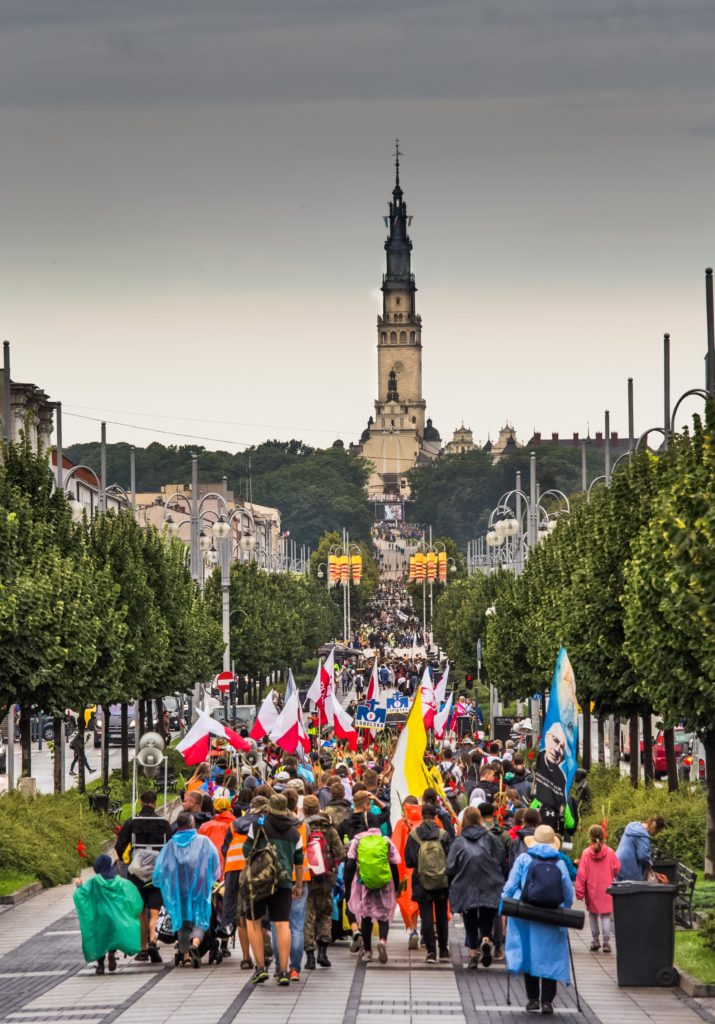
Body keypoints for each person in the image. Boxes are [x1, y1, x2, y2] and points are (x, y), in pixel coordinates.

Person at [502, 824, 575, 1015]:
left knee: (529, 954)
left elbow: (511, 886)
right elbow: (568, 892)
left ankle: (532, 998)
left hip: (526, 914)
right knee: (550, 957)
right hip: (551, 915)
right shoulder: (559, 863)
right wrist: (564, 909)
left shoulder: (524, 859)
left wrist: (504, 904)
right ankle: (547, 1001)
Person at [242, 792, 304, 986]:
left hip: (260, 880)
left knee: (254, 922)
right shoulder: (295, 832)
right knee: (282, 924)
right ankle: (284, 970)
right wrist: (299, 884)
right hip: (283, 881)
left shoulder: (257, 825)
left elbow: (246, 851)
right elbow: (299, 862)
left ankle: (260, 967)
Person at [152, 810, 220, 968]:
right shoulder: (204, 842)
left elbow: (161, 870)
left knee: (182, 922)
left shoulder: (170, 845)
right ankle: (195, 944)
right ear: (192, 824)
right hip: (200, 889)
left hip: (178, 891)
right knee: (201, 919)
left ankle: (186, 956)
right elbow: (215, 865)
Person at [114, 790, 172, 963]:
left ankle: (143, 949)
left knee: (141, 911)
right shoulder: (163, 823)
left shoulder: (132, 822)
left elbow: (119, 846)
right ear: (155, 802)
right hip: (157, 871)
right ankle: (153, 940)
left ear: (140, 802)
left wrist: (127, 860)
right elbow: (170, 846)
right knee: (155, 910)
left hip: (136, 873)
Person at [446, 806, 506, 968]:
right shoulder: (491, 838)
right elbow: (501, 859)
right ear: (479, 819)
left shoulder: (459, 841)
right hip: (489, 883)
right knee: (487, 914)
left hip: (466, 885)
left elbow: (450, 867)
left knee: (469, 916)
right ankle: (486, 938)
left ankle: (473, 950)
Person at [221, 793, 269, 970]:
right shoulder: (265, 824)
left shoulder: (234, 824)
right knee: (259, 913)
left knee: (242, 916)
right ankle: (260, 956)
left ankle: (246, 957)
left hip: (234, 869)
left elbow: (225, 848)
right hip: (257, 869)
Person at [74, 854, 143, 974]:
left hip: (100, 916)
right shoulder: (120, 881)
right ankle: (112, 952)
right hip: (116, 916)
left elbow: (82, 896)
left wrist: (79, 886)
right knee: (113, 935)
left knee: (100, 938)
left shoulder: (95, 882)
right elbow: (133, 897)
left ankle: (100, 964)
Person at [345, 821, 401, 963]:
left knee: (366, 916)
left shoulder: (357, 841)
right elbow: (394, 864)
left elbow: (350, 863)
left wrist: (350, 884)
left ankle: (367, 951)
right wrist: (397, 886)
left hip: (364, 883)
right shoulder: (386, 840)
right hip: (384, 883)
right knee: (383, 915)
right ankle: (382, 940)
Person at [404, 803, 451, 963]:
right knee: (441, 915)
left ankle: (431, 952)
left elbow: (409, 862)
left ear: (422, 816)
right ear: (435, 816)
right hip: (441, 880)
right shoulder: (443, 835)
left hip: (421, 881)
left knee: (426, 916)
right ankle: (443, 949)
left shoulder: (413, 835)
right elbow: (450, 858)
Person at [302, 794, 344, 971]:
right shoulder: (329, 828)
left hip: (307, 878)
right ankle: (323, 953)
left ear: (304, 809)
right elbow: (340, 852)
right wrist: (331, 865)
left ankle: (310, 955)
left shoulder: (302, 828)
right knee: (325, 913)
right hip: (326, 878)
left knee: (308, 916)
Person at [575, 825, 621, 952]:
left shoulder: (586, 853)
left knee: (593, 914)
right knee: (606, 916)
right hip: (607, 888)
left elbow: (581, 874)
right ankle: (606, 942)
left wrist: (579, 891)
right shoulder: (610, 852)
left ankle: (595, 940)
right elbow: (617, 867)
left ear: (590, 837)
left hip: (592, 889)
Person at [615, 816, 665, 881]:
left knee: (619, 887)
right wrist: (649, 864)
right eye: (656, 832)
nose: (654, 835)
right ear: (654, 828)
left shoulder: (632, 826)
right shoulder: (643, 836)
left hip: (616, 861)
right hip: (628, 866)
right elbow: (643, 857)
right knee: (634, 886)